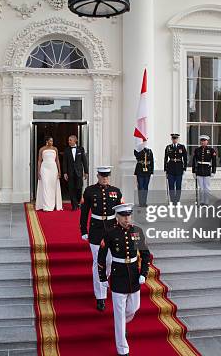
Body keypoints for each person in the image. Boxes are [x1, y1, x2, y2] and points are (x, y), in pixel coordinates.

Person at [98, 203, 151, 356]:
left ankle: (122, 324)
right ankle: (122, 349)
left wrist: (144, 273)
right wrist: (103, 277)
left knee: (134, 308)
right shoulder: (110, 233)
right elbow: (101, 257)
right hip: (118, 275)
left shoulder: (137, 231)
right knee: (119, 315)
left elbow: (145, 254)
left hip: (134, 275)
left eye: (129, 216)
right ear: (117, 217)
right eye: (124, 216)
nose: (127, 219)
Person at [80, 166, 123, 311]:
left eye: (107, 176)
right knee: (98, 262)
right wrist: (83, 230)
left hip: (112, 229)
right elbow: (84, 212)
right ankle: (100, 297)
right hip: (96, 230)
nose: (105, 178)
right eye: (102, 176)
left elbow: (121, 214)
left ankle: (103, 281)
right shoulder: (90, 191)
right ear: (97, 176)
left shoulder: (116, 191)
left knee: (110, 261)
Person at [35, 136, 62, 211]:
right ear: (47, 141)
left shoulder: (55, 149)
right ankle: (46, 206)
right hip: (44, 169)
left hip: (53, 169)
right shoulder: (42, 149)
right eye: (50, 141)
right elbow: (39, 161)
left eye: (52, 141)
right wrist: (38, 171)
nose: (51, 142)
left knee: (52, 186)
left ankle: (52, 205)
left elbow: (57, 160)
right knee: (45, 186)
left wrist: (59, 171)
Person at [62, 135, 88, 211]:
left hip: (79, 172)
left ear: (75, 140)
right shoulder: (66, 150)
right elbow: (64, 162)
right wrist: (65, 172)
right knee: (71, 189)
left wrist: (86, 172)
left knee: (79, 188)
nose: (68, 141)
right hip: (70, 173)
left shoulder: (81, 149)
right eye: (68, 140)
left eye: (70, 140)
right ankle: (74, 205)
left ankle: (78, 203)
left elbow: (84, 161)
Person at [192, 135, 217, 205]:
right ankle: (202, 201)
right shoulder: (197, 150)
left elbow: (214, 161)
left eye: (204, 141)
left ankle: (207, 201)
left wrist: (213, 171)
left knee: (207, 187)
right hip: (199, 170)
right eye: (202, 141)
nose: (203, 142)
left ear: (207, 141)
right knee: (201, 188)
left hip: (207, 170)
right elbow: (194, 161)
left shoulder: (211, 150)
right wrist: (193, 171)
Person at [163, 133, 187, 203]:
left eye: (176, 138)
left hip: (179, 168)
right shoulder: (168, 147)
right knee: (171, 185)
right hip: (170, 168)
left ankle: (177, 200)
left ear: (178, 139)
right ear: (171, 139)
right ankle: (173, 200)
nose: (174, 140)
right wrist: (165, 169)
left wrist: (184, 168)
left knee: (178, 185)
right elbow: (165, 158)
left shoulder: (182, 147)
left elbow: (185, 158)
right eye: (173, 138)